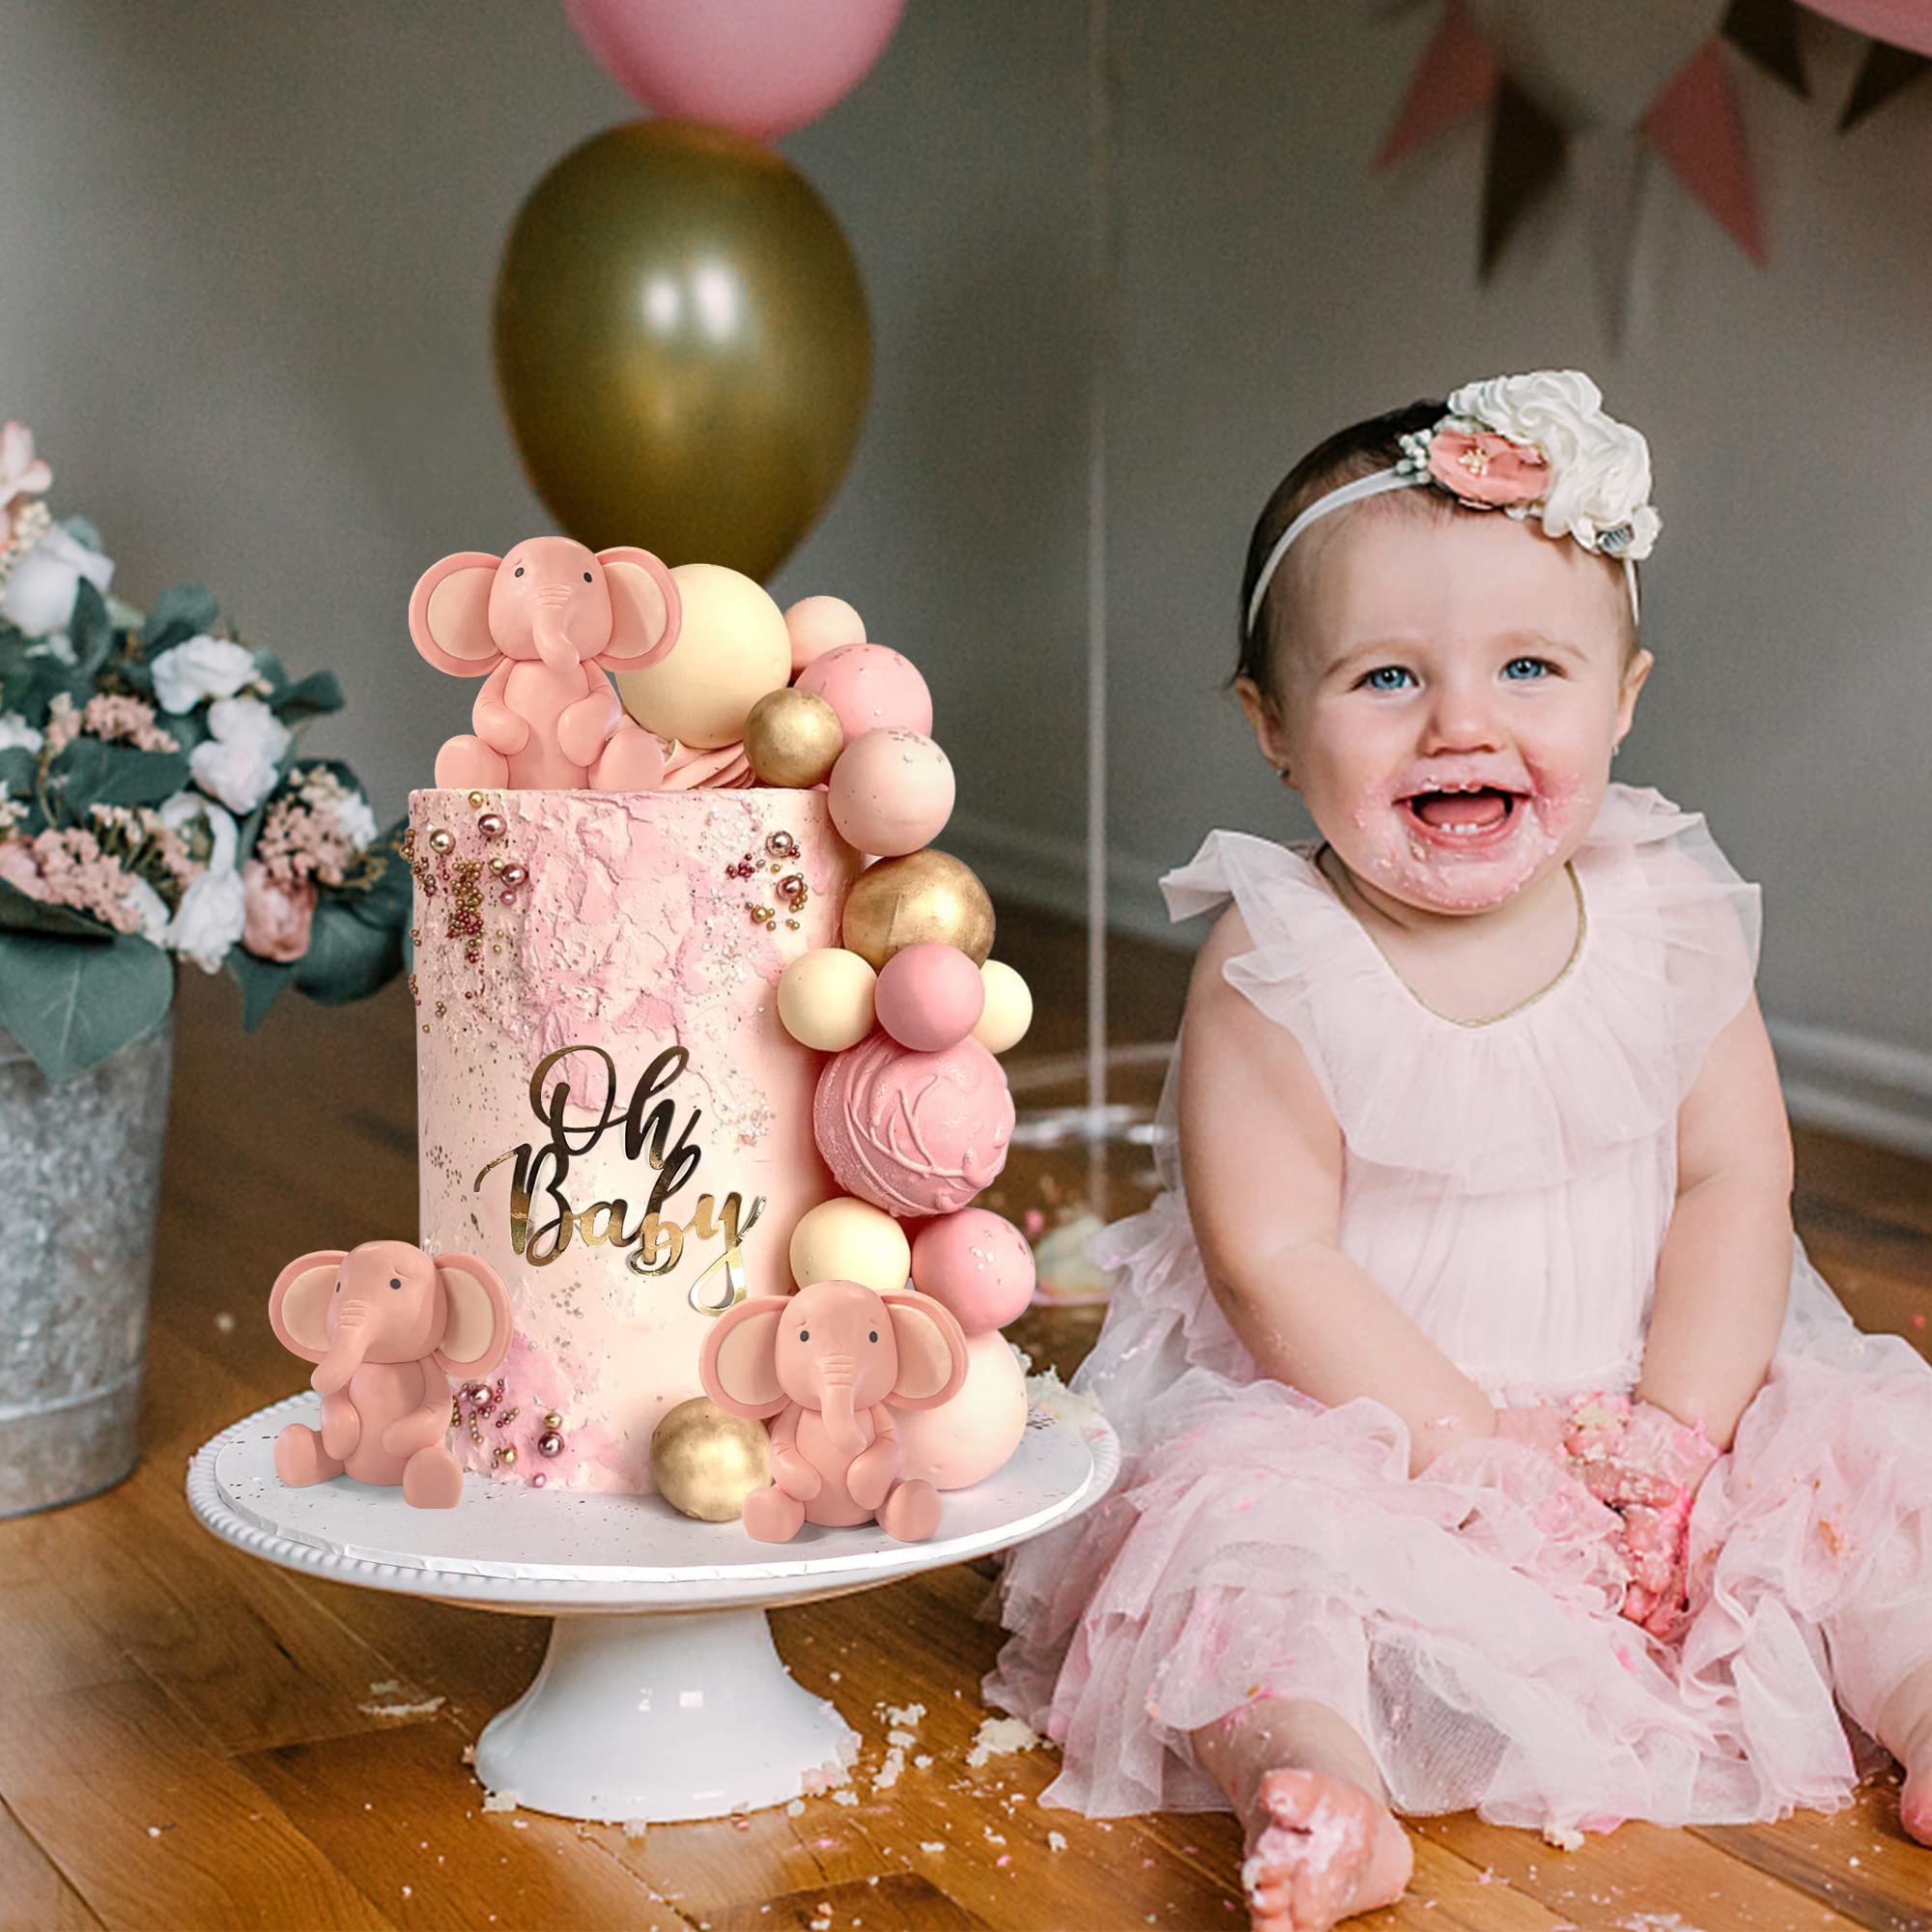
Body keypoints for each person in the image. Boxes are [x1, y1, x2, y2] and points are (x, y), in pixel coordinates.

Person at [986, 372, 1932, 1931]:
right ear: (1271, 728)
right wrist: (1480, 1464)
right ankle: (1318, 1778)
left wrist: (1681, 1436)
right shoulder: (1276, 961)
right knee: (1239, 1552)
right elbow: (1273, 1256)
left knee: (1868, 1488)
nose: (1462, 720)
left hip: (1657, 1388)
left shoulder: (1672, 918)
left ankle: (1916, 1691)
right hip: (1367, 1416)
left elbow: (1731, 1184)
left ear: (1623, 698)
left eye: (1530, 665)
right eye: (1384, 680)